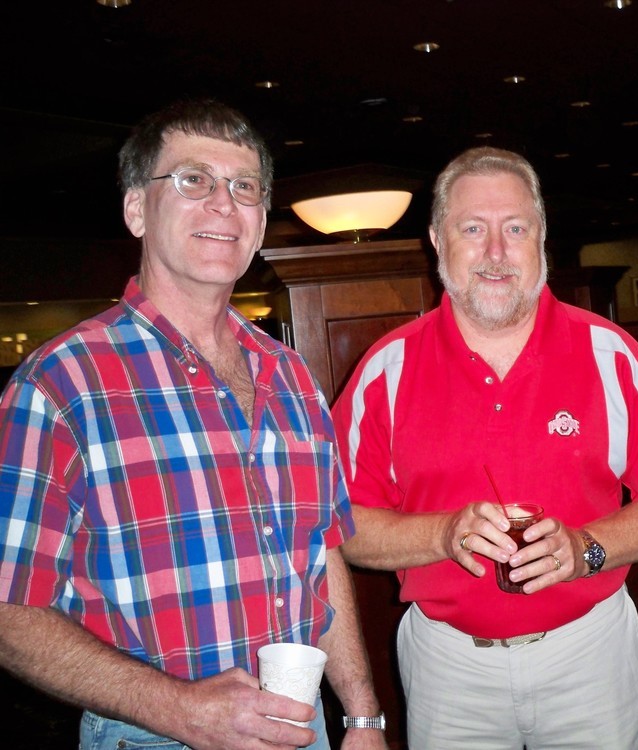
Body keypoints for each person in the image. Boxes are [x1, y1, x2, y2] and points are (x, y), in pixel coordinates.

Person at [0, 99, 387, 750]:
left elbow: (321, 554)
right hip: (151, 736)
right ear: (136, 209)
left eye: (245, 187)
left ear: (260, 225)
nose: (223, 204)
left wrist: (363, 713)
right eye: (193, 180)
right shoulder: (60, 384)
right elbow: (9, 610)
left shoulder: (292, 376)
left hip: (303, 728)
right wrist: (179, 709)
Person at [331, 146, 638, 749]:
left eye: (515, 229)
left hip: (591, 654)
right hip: (447, 670)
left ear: (541, 240)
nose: (495, 252)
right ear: (437, 240)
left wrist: (586, 550)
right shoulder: (386, 371)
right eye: (472, 229)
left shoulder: (610, 355)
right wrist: (442, 535)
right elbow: (342, 526)